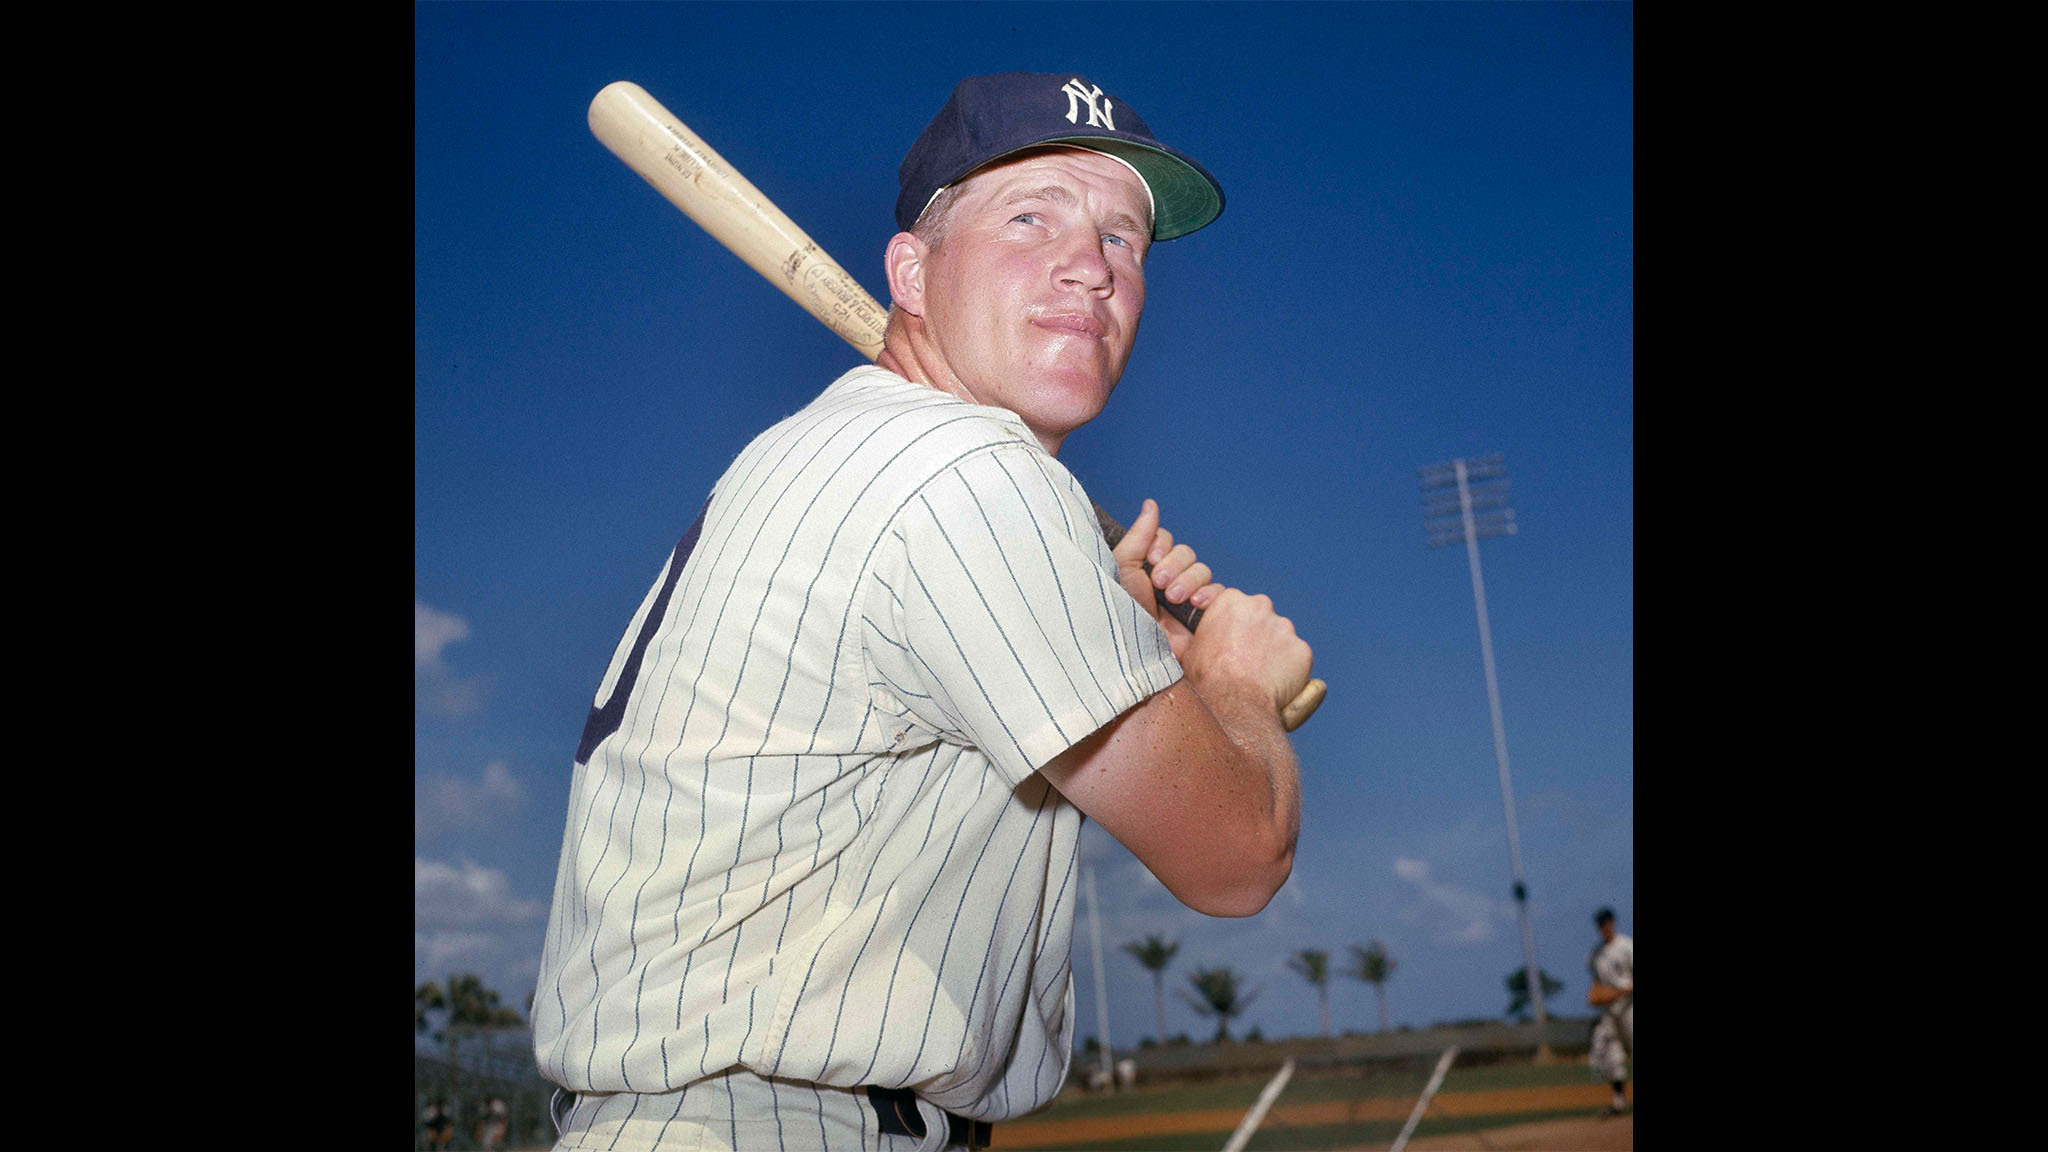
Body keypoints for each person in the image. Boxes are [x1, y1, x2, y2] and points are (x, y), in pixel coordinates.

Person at [532, 71, 1313, 1152]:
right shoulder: (969, 473)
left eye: (1123, 242)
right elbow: (1235, 858)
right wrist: (1234, 681)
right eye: (1028, 217)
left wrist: (1125, 628)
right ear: (909, 271)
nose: (1088, 268)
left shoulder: (833, 451)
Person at [1587, 906, 1633, 1114]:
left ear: (1612, 922)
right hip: (1610, 1012)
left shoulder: (1626, 946)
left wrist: (1619, 993)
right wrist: (1598, 996)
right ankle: (1618, 1102)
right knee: (1612, 1056)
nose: (1603, 926)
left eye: (1605, 922)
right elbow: (1596, 984)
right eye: (1600, 923)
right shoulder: (1596, 954)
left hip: (1630, 1008)